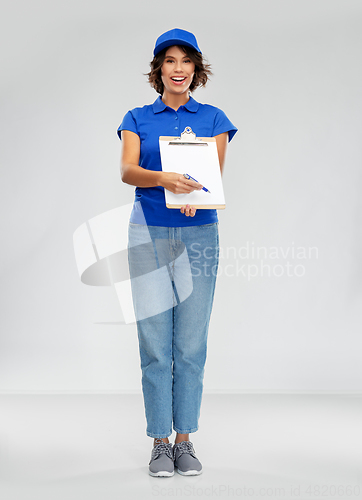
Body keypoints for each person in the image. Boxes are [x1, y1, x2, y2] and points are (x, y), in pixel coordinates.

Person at [117, 28, 237, 477]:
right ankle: (159, 442)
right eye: (169, 60)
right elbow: (128, 170)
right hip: (147, 234)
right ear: (159, 70)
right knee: (153, 343)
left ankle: (185, 440)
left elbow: (212, 175)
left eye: (186, 60)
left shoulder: (213, 118)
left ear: (196, 69)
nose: (179, 68)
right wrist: (165, 180)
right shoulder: (136, 117)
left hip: (199, 236)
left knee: (189, 343)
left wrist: (197, 192)